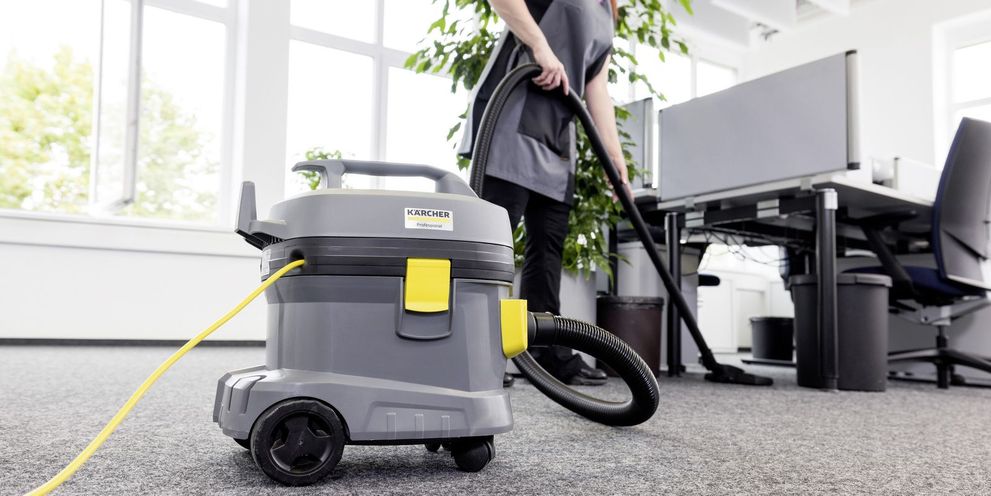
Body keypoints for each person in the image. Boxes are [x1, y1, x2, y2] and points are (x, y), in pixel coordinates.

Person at [459, 0, 631, 386]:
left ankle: (547, 351)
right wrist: (540, 47)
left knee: (547, 250)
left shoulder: (608, 12)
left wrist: (614, 158)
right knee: (490, 246)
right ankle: (471, 351)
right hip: (511, 116)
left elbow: (595, 85)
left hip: (557, 138)